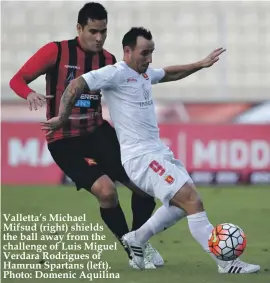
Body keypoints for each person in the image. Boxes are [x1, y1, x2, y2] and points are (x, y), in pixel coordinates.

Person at [41, 26, 261, 274]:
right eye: (145, 53)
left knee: (179, 206)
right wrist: (62, 117)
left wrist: (201, 64)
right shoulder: (115, 73)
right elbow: (77, 84)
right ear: (127, 50)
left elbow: (169, 73)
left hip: (158, 152)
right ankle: (226, 262)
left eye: (151, 53)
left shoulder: (143, 74)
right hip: (141, 158)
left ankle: (136, 238)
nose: (149, 59)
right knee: (191, 199)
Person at [9, 4, 166, 269]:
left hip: (98, 133)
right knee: (107, 192)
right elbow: (18, 79)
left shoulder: (108, 59)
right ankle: (132, 249)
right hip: (64, 140)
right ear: (79, 28)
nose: (99, 37)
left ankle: (139, 242)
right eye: (93, 31)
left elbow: (136, 82)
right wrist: (29, 94)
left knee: (145, 188)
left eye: (103, 31)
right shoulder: (56, 51)